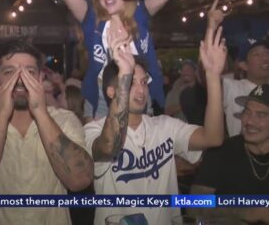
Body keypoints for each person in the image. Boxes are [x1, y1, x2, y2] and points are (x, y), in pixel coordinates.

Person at [84, 22, 227, 225]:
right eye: (131, 82)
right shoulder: (93, 130)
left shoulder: (164, 126)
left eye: (144, 82)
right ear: (111, 91)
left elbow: (213, 137)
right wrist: (125, 71)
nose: (141, 90)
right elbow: (108, 146)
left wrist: (212, 77)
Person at [0, 40, 94, 225]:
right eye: (9, 72)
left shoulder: (64, 120)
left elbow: (80, 180)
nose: (20, 80)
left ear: (40, 78)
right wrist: (2, 115)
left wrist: (40, 111)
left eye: (29, 72)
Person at [55, 0, 175, 121]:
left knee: (139, 144)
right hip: (102, 95)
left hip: (138, 90)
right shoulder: (91, 19)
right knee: (99, 146)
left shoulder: (140, 14)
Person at [189, 84, 269, 224]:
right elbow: (194, 207)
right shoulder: (222, 151)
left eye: (261, 115)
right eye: (247, 112)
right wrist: (246, 212)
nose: (249, 121)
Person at [207, 0, 269, 137]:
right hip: (241, 155)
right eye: (257, 55)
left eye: (267, 53)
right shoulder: (231, 87)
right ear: (243, 65)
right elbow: (207, 80)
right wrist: (211, 28)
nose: (265, 58)